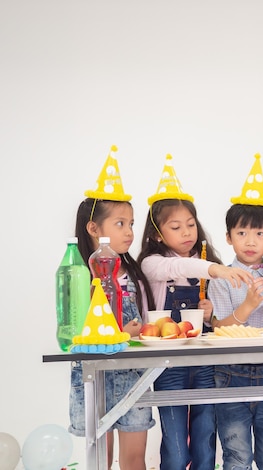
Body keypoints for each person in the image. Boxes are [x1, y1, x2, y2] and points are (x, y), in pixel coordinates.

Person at [137, 154, 252, 470]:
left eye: (191, 225)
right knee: (175, 446)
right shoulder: (154, 263)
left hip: (203, 362)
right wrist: (214, 269)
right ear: (158, 235)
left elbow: (217, 322)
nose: (187, 232)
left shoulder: (205, 262)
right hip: (168, 365)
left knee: (204, 438)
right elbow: (178, 265)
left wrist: (209, 312)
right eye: (176, 227)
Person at [69, 146, 156, 470]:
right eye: (120, 223)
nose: (130, 232)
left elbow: (144, 322)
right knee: (99, 459)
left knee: (134, 460)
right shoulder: (78, 274)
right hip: (94, 376)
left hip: (133, 375)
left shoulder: (134, 272)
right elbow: (76, 328)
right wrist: (119, 332)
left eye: (131, 223)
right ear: (93, 228)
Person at [207, 153, 263, 470]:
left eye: (259, 234)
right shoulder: (223, 277)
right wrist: (248, 306)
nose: (250, 241)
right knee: (236, 456)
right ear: (228, 238)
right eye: (241, 233)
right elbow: (218, 327)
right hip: (230, 372)